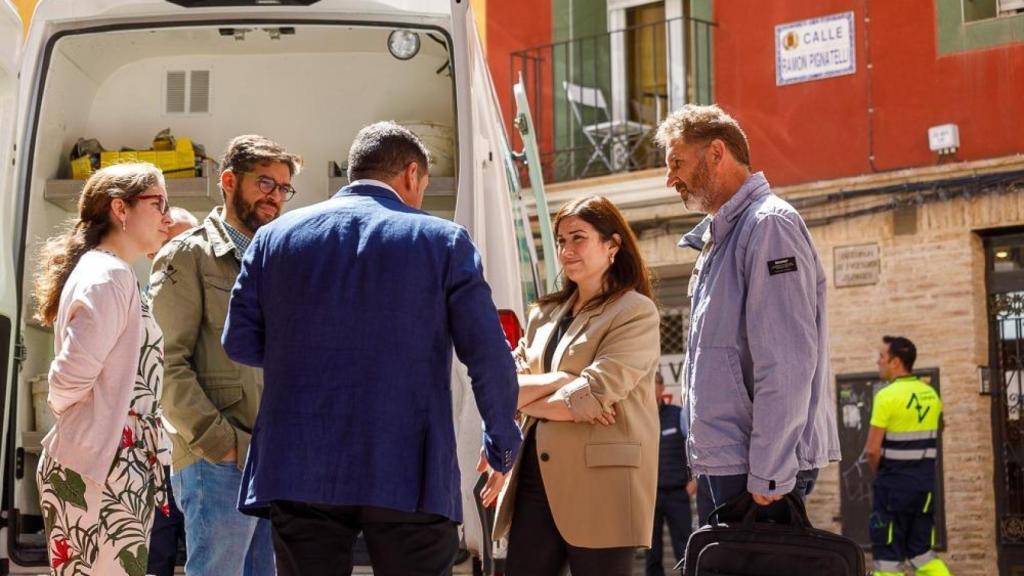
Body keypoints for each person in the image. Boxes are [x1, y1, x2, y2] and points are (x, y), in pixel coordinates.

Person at [221, 121, 521, 576]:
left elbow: (238, 341)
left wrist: (309, 354)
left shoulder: (274, 238)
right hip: (409, 466)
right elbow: (486, 354)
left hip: (299, 461)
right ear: (411, 174)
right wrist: (501, 440)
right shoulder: (442, 241)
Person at [655, 104, 840, 524]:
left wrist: (770, 472)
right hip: (731, 462)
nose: (671, 180)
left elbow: (787, 360)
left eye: (677, 163)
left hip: (756, 471)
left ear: (716, 153)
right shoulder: (724, 235)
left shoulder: (769, 226)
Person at [150, 135, 301, 576]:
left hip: (268, 460)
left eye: (283, 188)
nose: (275, 197)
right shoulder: (187, 254)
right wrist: (222, 445)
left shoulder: (276, 258)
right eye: (265, 183)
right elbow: (164, 365)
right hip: (217, 459)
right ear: (230, 181)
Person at [493, 195, 661, 576]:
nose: (566, 250)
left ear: (613, 245)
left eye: (578, 238)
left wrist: (528, 399)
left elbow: (595, 393)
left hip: (603, 485)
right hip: (535, 479)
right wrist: (565, 383)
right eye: (560, 240)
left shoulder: (634, 311)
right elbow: (503, 386)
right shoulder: (542, 315)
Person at [32, 163, 172, 575]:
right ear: (120, 209)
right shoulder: (109, 276)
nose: (167, 214)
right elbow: (66, 379)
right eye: (157, 202)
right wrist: (87, 420)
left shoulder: (108, 273)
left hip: (107, 461)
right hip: (101, 465)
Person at [865, 336, 952, 576]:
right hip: (924, 489)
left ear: (895, 362)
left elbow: (872, 450)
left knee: (887, 561)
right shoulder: (931, 394)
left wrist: (880, 474)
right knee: (922, 555)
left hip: (893, 489)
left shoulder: (886, 396)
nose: (878, 362)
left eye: (882, 357)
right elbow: (939, 429)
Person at [144, 206, 197, 576]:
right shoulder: (145, 297)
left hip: (198, 442)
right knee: (157, 547)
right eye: (172, 238)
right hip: (160, 441)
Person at [646, 372, 696, 576]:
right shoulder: (638, 420)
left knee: (684, 548)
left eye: (653, 383)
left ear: (662, 388)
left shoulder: (678, 415)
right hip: (649, 497)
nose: (649, 387)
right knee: (651, 551)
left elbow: (694, 446)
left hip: (678, 494)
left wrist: (696, 480)